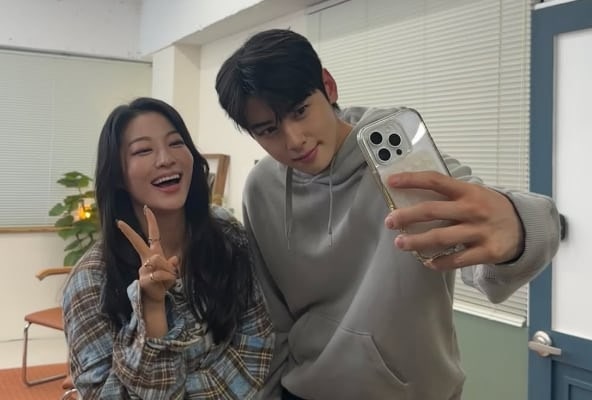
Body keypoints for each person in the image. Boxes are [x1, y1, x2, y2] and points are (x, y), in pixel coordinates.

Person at [215, 29, 561, 400]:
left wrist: (517, 228)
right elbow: (273, 317)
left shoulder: (401, 163)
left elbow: (512, 233)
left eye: (300, 111)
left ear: (328, 86)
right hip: (305, 391)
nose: (294, 139)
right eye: (269, 130)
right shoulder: (261, 188)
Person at [62, 97, 274, 399]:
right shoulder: (90, 281)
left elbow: (256, 350)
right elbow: (104, 394)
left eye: (176, 143)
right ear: (118, 176)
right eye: (143, 150)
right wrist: (152, 309)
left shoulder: (227, 235)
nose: (166, 159)